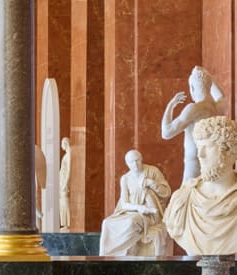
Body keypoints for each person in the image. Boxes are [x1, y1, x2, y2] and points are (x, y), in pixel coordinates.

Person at [164, 115, 237, 255]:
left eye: (207, 147)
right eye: (198, 147)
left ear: (228, 150)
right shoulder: (182, 199)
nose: (200, 155)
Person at [99, 149, 172, 256]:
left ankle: (121, 254)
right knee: (107, 223)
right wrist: (138, 208)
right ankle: (108, 257)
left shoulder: (152, 171)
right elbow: (124, 203)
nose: (135, 164)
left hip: (150, 214)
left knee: (131, 222)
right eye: (131, 162)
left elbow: (166, 193)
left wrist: (152, 183)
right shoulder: (125, 179)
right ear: (127, 163)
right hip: (131, 210)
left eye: (137, 160)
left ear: (141, 159)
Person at [161, 65, 226, 181]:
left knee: (185, 197)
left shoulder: (193, 109)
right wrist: (206, 75)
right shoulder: (218, 107)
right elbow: (221, 95)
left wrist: (171, 105)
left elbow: (166, 133)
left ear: (192, 88)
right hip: (214, 163)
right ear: (209, 86)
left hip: (194, 163)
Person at [59, 136, 71, 231]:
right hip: (62, 179)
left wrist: (66, 182)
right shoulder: (66, 154)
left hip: (65, 180)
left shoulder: (69, 154)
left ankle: (68, 222)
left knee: (65, 200)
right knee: (62, 200)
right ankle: (64, 223)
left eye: (62, 143)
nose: (61, 145)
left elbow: (69, 170)